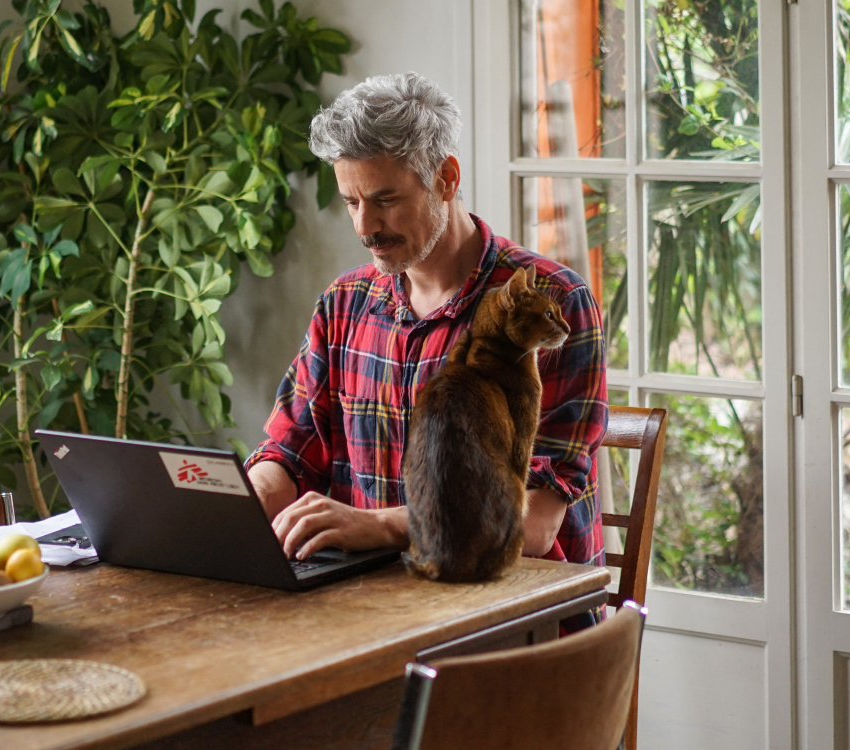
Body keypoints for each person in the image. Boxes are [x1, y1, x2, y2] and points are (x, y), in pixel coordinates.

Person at [245, 72, 608, 610]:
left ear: (446, 178)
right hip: (372, 612)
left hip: (511, 628)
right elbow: (290, 450)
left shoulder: (548, 304)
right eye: (351, 202)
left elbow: (530, 525)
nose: (366, 225)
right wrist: (232, 514)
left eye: (385, 199)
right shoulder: (345, 303)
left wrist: (378, 526)